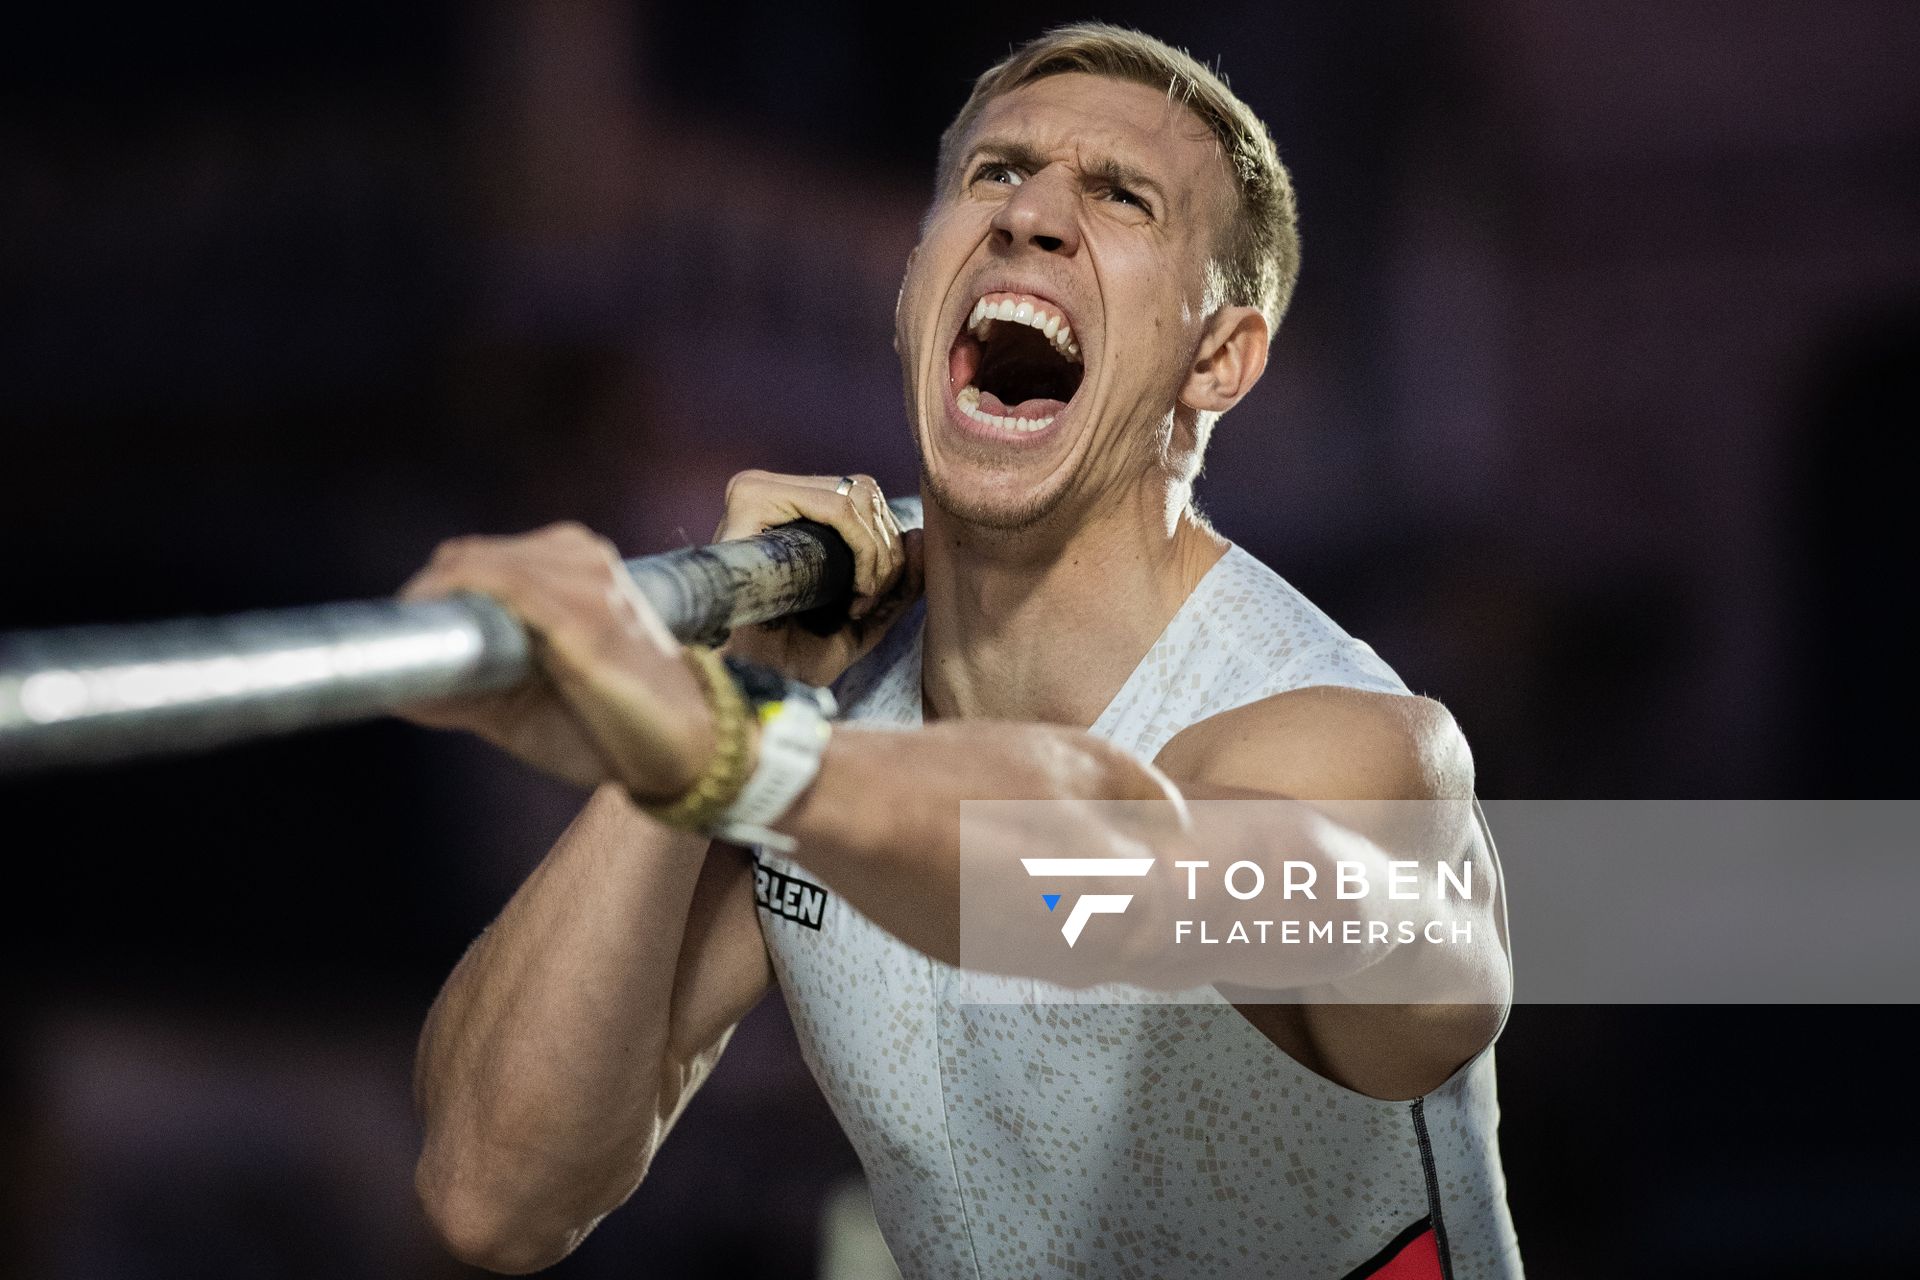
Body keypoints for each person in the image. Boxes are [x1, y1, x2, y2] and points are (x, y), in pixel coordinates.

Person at [403, 22, 1520, 1279]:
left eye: (1119, 196)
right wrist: (731, 688)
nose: (1030, 215)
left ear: (1220, 357)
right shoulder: (823, 720)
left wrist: (720, 742)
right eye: (995, 174)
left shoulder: (1351, 748)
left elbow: (1100, 873)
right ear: (911, 293)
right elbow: (490, 1191)